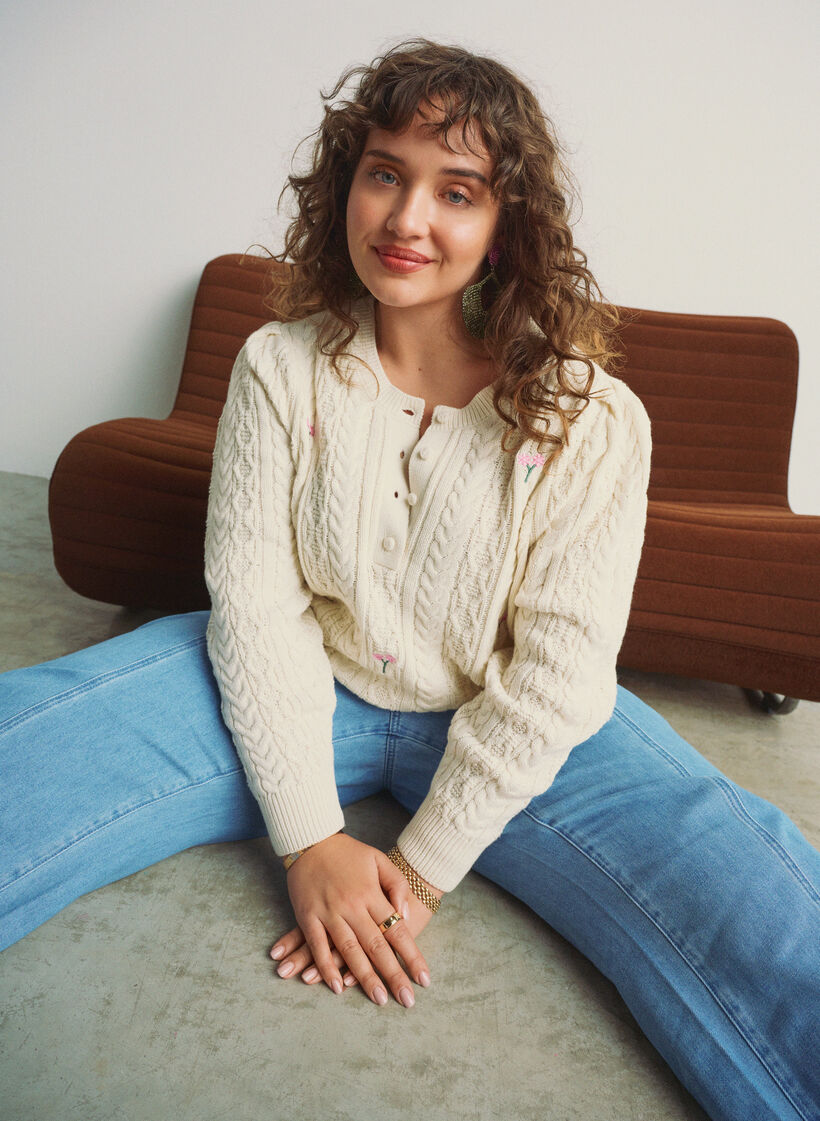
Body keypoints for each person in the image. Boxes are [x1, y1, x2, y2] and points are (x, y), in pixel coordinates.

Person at [0, 38, 817, 1121]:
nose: (407, 219)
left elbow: (561, 676)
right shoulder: (278, 367)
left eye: (457, 190)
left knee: (754, 899)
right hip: (299, 673)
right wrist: (309, 837)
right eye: (385, 172)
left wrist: (419, 872)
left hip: (515, 706)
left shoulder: (593, 415)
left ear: (505, 223)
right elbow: (255, 607)